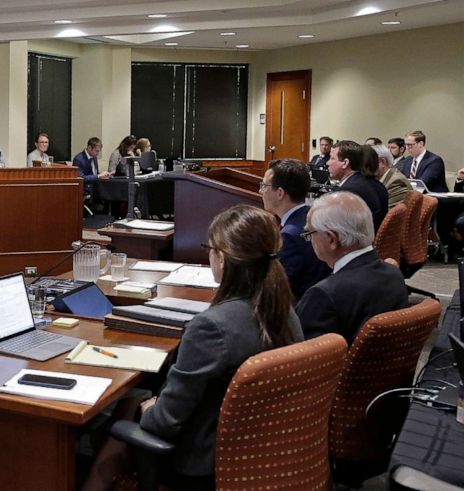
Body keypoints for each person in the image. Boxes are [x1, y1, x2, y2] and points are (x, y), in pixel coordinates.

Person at [82, 205, 301, 490]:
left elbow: (162, 423)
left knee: (129, 405)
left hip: (202, 461)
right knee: (133, 401)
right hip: (261, 449)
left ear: (221, 259)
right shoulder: (284, 310)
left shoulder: (212, 327)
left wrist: (153, 407)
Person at [295, 192, 408, 344]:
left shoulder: (323, 296)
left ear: (331, 239)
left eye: (310, 233)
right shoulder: (393, 274)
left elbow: (302, 360)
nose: (309, 240)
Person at [260, 159, 331, 300]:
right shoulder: (312, 215)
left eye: (264, 186)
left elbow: (278, 290)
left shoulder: (290, 236)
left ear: (280, 193)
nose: (260, 191)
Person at [328, 140, 387, 231]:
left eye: (332, 158)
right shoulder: (362, 182)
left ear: (345, 163)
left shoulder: (349, 191)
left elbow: (334, 228)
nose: (327, 163)